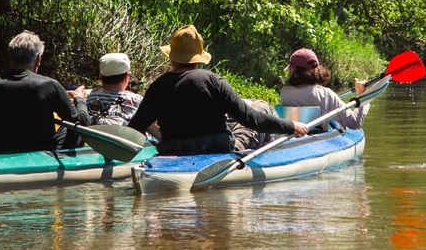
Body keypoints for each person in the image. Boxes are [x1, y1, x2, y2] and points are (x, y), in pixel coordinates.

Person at [127, 25, 308, 154]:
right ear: (198, 58)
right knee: (260, 106)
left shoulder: (157, 86)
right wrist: (290, 126)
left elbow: (135, 129)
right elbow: (251, 119)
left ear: (172, 57)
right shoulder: (213, 81)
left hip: (173, 151)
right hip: (219, 150)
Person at [278, 48, 370, 130]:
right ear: (316, 70)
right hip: (319, 140)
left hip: (294, 138)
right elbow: (355, 123)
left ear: (293, 70)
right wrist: (362, 96)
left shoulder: (284, 93)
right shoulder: (325, 94)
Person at [71, 52, 144, 127]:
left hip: (90, 136)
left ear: (100, 75)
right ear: (127, 77)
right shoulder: (137, 100)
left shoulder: (84, 95)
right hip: (125, 137)